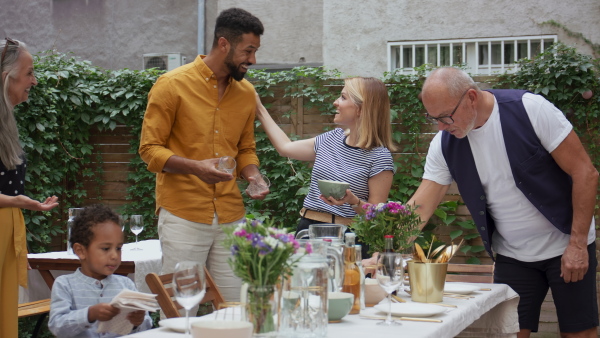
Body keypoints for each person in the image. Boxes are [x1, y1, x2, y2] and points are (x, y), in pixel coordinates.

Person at [408, 66, 598, 338]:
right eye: (433, 118)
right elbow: (422, 205)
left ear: (471, 97)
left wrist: (578, 243)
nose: (441, 127)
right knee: (506, 333)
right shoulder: (445, 143)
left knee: (579, 333)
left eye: (446, 117)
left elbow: (585, 173)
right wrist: (387, 244)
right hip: (513, 255)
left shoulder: (529, 109)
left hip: (567, 243)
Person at [138, 8, 266, 304]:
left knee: (235, 308)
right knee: (181, 310)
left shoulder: (246, 93)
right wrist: (196, 168)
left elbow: (246, 149)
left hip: (232, 216)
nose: (253, 60)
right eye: (248, 50)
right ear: (224, 44)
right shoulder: (171, 85)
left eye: (255, 51)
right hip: (183, 214)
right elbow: (149, 150)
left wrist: (254, 177)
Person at [255, 77, 397, 241]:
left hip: (348, 237)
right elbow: (285, 148)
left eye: (343, 97)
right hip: (308, 230)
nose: (336, 102)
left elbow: (376, 216)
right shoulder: (331, 139)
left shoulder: (379, 156)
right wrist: (259, 108)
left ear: (361, 109)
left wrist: (353, 201)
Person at [0, 38, 59, 338]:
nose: (34, 81)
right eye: (28, 73)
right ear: (5, 76)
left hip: (8, 226)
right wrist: (18, 201)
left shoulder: (6, 119)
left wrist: (24, 203)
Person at [48, 204, 152, 337]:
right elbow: (57, 327)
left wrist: (138, 322)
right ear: (81, 251)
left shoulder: (126, 284)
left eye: (118, 248)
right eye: (106, 249)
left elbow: (146, 328)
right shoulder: (65, 284)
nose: (114, 255)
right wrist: (89, 314)